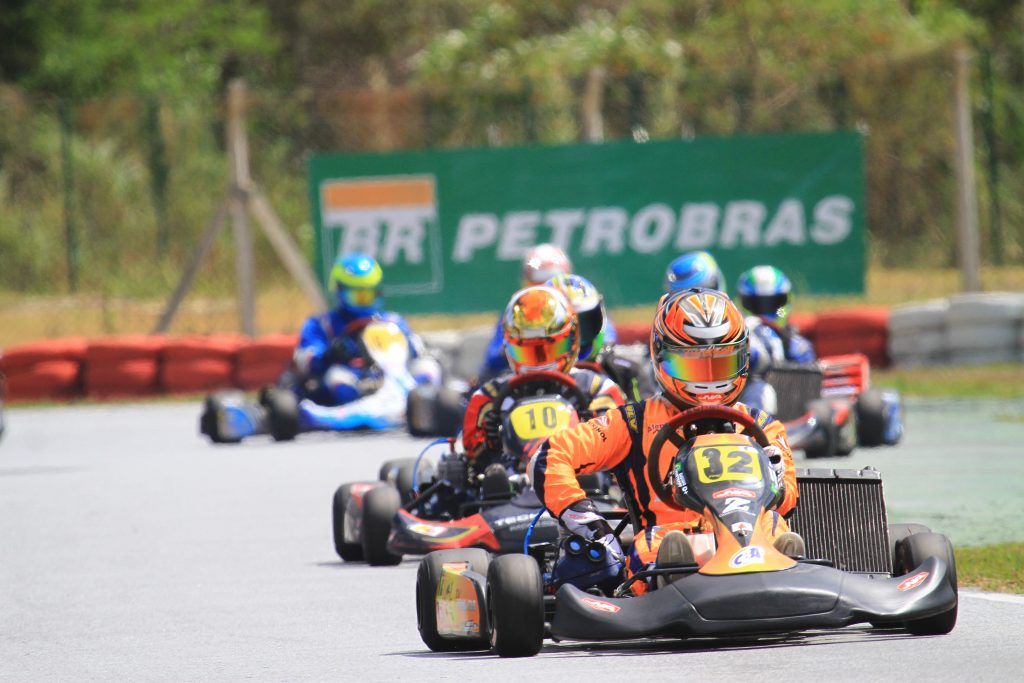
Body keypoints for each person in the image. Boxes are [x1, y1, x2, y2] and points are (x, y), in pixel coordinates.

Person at [532, 288, 802, 595]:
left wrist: (775, 480)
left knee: (775, 527)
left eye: (721, 365)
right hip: (668, 541)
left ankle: (783, 565)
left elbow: (789, 497)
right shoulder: (633, 423)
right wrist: (590, 523)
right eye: (693, 365)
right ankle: (676, 578)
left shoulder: (763, 427)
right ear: (661, 356)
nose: (709, 380)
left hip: (750, 537)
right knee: (660, 546)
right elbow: (551, 455)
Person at [462, 285, 626, 476]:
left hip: (585, 486)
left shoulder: (596, 388)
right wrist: (493, 445)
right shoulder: (489, 397)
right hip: (509, 492)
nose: (539, 363)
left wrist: (590, 429)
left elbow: (618, 446)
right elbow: (474, 459)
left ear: (572, 341)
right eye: (528, 352)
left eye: (549, 350)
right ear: (509, 346)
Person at [288, 252, 438, 406]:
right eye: (358, 297)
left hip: (396, 376)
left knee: (428, 367)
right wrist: (329, 353)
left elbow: (418, 350)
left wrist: (408, 346)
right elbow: (304, 359)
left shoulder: (393, 321)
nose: (364, 302)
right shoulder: (324, 324)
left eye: (369, 295)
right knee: (336, 377)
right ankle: (360, 405)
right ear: (340, 291)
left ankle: (421, 402)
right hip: (354, 378)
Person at [478, 244, 574, 382]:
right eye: (538, 284)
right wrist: (515, 348)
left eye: (550, 285)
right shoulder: (516, 312)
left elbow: (604, 338)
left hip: (570, 375)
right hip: (524, 381)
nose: (544, 292)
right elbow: (492, 358)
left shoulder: (577, 306)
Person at [545, 273, 644, 401]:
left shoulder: (626, 371)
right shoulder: (526, 379)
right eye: (561, 327)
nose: (575, 339)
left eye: (583, 325)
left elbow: (648, 417)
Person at [735, 265, 815, 413]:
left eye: (774, 303)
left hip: (794, 409)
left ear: (785, 301)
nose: (765, 311)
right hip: (748, 407)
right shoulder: (740, 339)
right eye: (757, 304)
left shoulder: (798, 345)